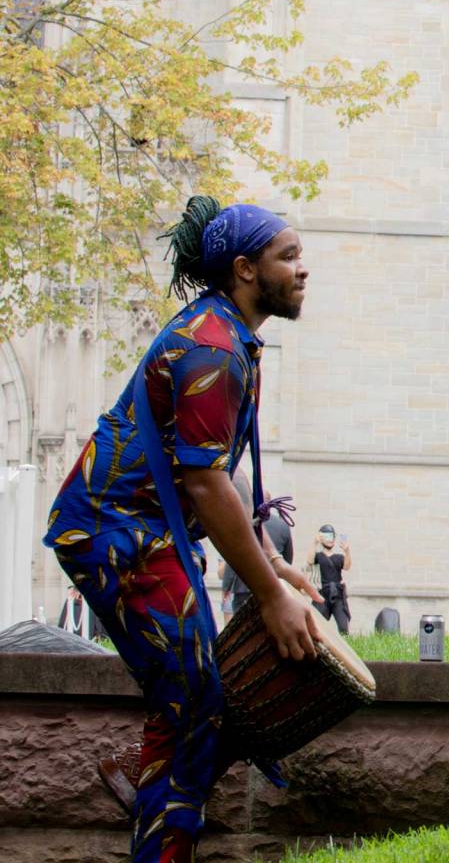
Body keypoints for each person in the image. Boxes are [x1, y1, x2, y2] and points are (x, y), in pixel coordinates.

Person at [42, 196, 322, 862]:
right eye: (290, 257)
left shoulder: (226, 334)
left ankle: (146, 781)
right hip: (115, 531)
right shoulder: (214, 350)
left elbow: (207, 482)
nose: (304, 269)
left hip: (139, 528)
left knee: (199, 699)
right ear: (247, 269)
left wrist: (271, 566)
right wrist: (272, 595)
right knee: (198, 702)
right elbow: (205, 484)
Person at [224, 470, 293, 614]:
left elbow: (233, 554)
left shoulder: (242, 521)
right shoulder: (282, 525)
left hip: (244, 584)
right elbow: (287, 558)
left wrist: (227, 586)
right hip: (272, 585)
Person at [310, 524, 352, 634]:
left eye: (332, 536)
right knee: (317, 625)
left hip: (337, 594)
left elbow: (347, 566)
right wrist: (315, 543)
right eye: (327, 536)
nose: (330, 539)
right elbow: (309, 561)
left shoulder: (339, 557)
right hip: (323, 594)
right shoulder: (318, 556)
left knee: (343, 627)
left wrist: (347, 551)